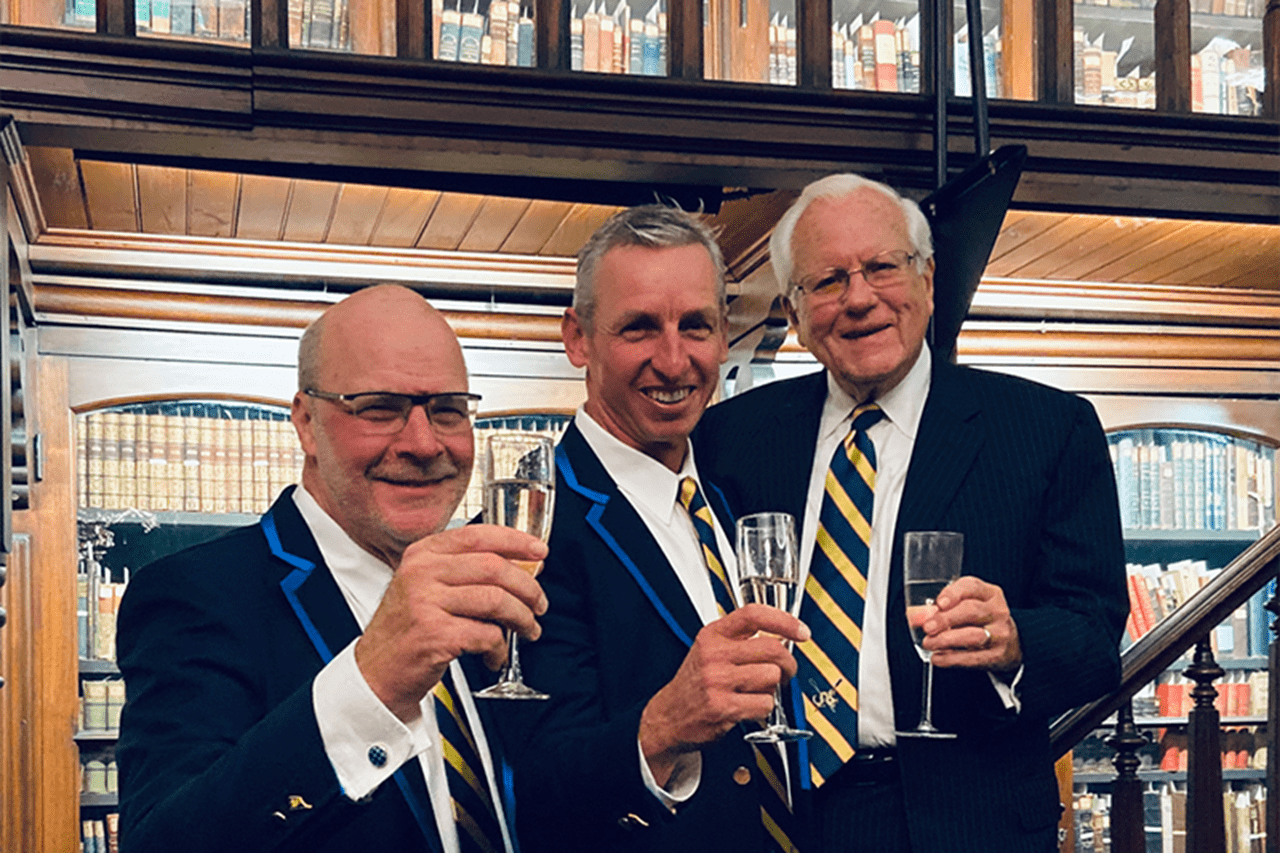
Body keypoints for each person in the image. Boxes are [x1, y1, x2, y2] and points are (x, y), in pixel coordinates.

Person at [693, 174, 1129, 853]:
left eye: (881, 267)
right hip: (779, 814)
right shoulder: (730, 438)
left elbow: (1096, 642)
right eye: (828, 281)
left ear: (927, 279)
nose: (860, 297)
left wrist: (1015, 642)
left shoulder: (1046, 429)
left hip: (968, 818)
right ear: (796, 312)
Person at [115, 284, 549, 853]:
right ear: (305, 422)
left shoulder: (484, 590)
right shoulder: (193, 595)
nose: (422, 443)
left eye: (447, 410)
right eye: (378, 408)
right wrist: (371, 682)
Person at [504, 204, 809, 853]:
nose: (674, 361)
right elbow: (530, 792)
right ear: (578, 337)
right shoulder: (529, 536)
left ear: (725, 335)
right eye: (639, 327)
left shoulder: (740, 494)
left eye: (694, 325)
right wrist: (664, 725)